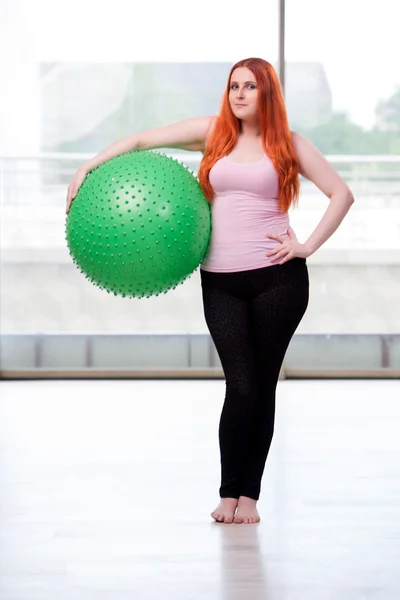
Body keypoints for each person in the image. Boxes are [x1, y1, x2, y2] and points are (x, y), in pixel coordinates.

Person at [66, 57, 355, 525]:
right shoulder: (212, 133)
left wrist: (305, 246)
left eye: (250, 87)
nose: (239, 94)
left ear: (268, 94)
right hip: (220, 280)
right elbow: (141, 140)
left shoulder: (289, 144)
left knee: (262, 388)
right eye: (233, 86)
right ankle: (227, 492)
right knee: (240, 386)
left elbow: (341, 193)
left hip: (278, 280)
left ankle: (249, 498)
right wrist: (90, 165)